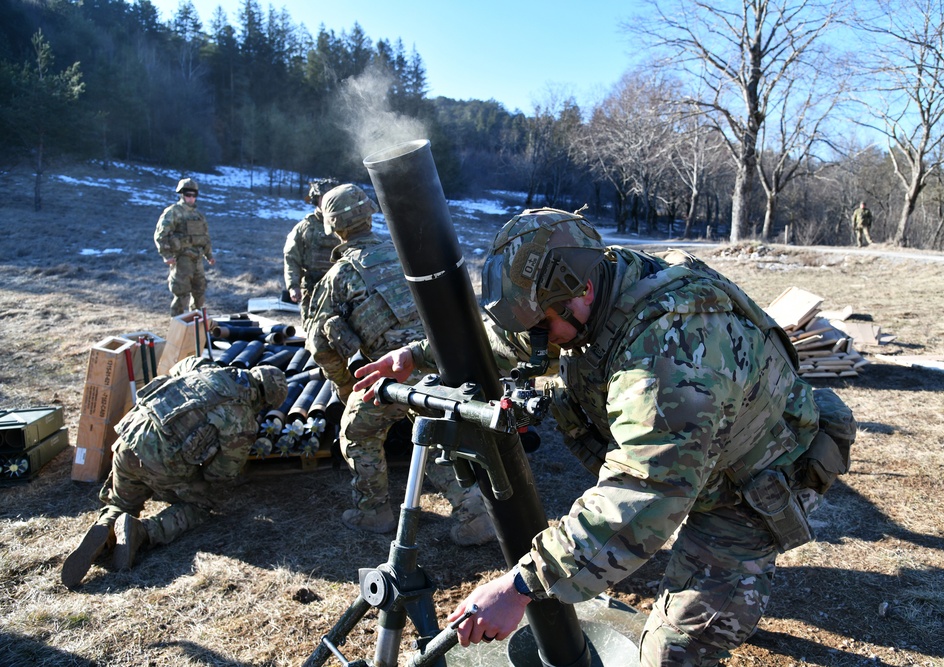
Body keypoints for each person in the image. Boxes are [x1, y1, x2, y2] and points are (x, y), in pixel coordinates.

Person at [354, 208, 856, 666]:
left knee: (670, 653)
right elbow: (520, 333)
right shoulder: (603, 276)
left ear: (581, 292)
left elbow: (642, 492)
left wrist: (521, 585)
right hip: (693, 457)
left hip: (747, 492)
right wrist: (418, 356)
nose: (539, 343)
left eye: (546, 325)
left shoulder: (670, 357)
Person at [304, 184, 495, 546]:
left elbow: (320, 346)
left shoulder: (336, 278)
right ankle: (476, 513)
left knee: (356, 432)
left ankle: (374, 511)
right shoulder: (406, 253)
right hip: (439, 363)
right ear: (369, 214)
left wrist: (348, 388)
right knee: (437, 435)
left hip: (390, 376)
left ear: (333, 227)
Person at [61, 357, 288, 587]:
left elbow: (180, 366)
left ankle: (104, 529)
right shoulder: (242, 419)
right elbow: (220, 474)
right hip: (161, 463)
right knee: (200, 504)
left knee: (122, 503)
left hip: (127, 441)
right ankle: (143, 532)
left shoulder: (205, 368)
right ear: (265, 401)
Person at [154, 178, 215, 316]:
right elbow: (161, 234)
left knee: (199, 293)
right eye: (188, 194)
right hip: (182, 259)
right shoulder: (173, 212)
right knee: (182, 294)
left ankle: (196, 325)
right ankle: (177, 327)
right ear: (181, 194)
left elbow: (205, 237)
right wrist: (166, 255)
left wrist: (209, 256)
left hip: (198, 260)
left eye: (194, 195)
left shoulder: (198, 216)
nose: (191, 198)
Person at [283, 178, 341, 316]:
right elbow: (292, 258)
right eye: (325, 197)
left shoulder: (344, 224)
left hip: (339, 291)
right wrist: (293, 286)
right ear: (316, 199)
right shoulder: (305, 227)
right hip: (311, 291)